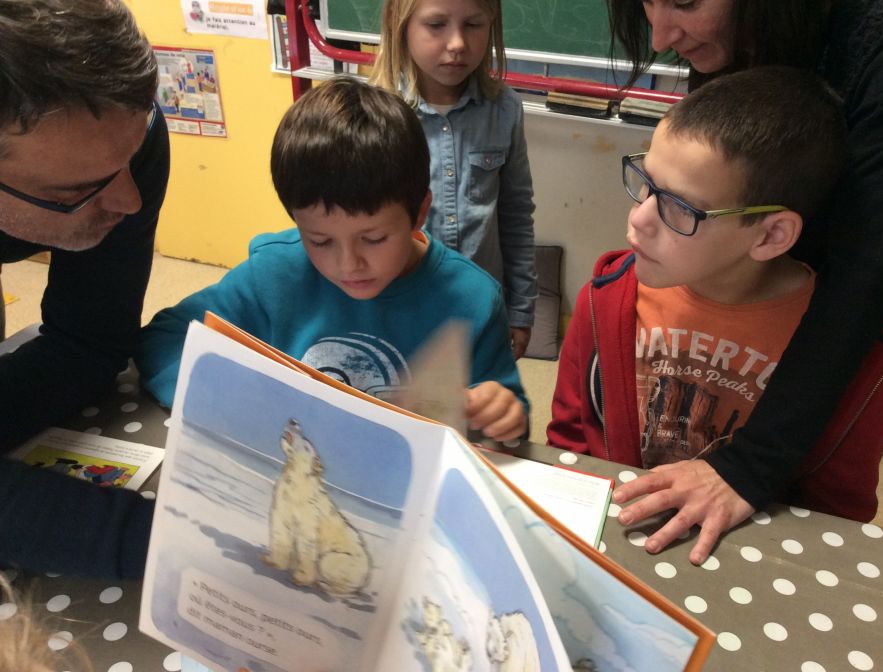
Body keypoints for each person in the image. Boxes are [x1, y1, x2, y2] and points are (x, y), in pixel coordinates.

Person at [547, 66, 883, 563]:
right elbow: (568, 443)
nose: (640, 218)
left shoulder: (848, 360)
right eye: (646, 184)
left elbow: (838, 519)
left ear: (771, 235)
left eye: (679, 208)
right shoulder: (603, 300)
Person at [137, 77, 528, 442]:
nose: (348, 264)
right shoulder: (275, 274)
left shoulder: (473, 299)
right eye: (320, 240)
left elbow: (506, 420)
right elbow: (165, 338)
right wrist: (227, 398)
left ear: (419, 212)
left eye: (373, 239)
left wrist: (502, 413)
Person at [0, 0, 168, 578]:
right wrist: (182, 548)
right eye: (77, 188)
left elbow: (89, 341)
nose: (130, 201)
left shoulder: (118, 134)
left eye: (130, 159)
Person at [370, 0, 538, 360]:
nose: (458, 43)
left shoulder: (505, 109)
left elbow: (516, 215)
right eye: (436, 25)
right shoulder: (375, 114)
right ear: (401, 25)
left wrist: (521, 310)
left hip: (480, 309)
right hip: (401, 312)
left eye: (473, 25)